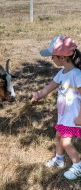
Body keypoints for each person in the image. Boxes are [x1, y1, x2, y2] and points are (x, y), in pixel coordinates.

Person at [31, 36, 81, 180]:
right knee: (58, 137)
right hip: (64, 114)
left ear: (62, 58)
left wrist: (80, 116)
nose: (52, 59)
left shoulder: (77, 75)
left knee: (66, 142)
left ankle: (78, 166)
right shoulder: (61, 73)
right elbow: (49, 87)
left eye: (53, 56)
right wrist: (37, 96)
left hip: (74, 116)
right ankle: (59, 159)